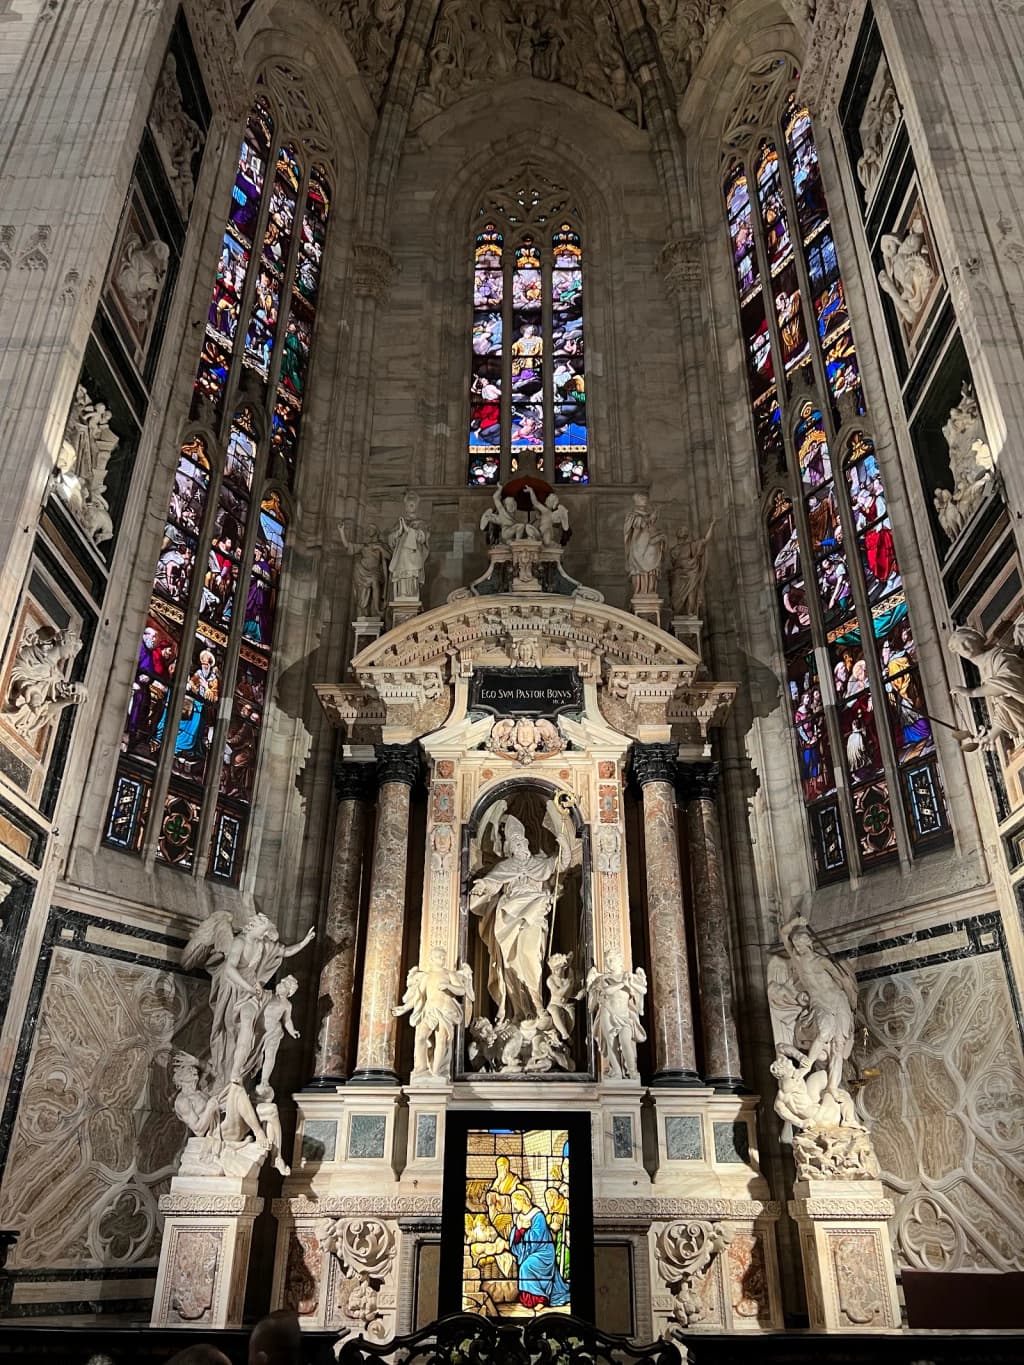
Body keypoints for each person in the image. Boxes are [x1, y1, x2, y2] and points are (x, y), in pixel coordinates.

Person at [507, 1186, 570, 1311]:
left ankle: (542, 1298)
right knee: (525, 1266)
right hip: (531, 1252)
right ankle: (532, 1299)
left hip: (544, 1251)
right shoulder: (519, 1218)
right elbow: (515, 1235)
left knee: (526, 1267)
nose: (514, 1205)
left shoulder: (538, 1215)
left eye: (515, 1202)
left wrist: (524, 1230)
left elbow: (537, 1237)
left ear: (523, 1200)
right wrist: (521, 1229)